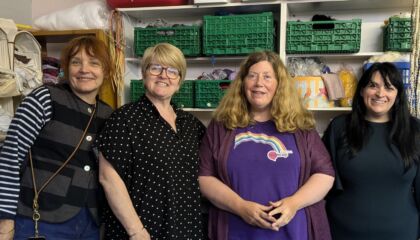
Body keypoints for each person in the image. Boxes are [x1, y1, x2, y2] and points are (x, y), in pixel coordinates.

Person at [199, 51, 335, 240]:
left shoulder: (299, 125)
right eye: (252, 76)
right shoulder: (222, 125)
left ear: (279, 84)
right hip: (235, 231)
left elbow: (324, 174)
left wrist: (294, 203)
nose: (259, 83)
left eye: (267, 77)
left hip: (292, 232)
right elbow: (205, 177)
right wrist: (240, 207)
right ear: (242, 83)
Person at [0, 36, 114, 239]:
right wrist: (5, 219)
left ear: (106, 71)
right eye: (76, 62)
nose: (84, 69)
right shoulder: (44, 98)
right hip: (39, 220)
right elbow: (9, 158)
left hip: (90, 223)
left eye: (94, 63)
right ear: (66, 68)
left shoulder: (108, 114)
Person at [96, 43, 206, 240]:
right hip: (140, 231)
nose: (164, 75)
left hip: (185, 228)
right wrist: (136, 231)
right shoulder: (124, 118)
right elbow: (109, 179)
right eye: (155, 68)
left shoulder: (191, 125)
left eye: (173, 71)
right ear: (144, 73)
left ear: (179, 80)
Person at [323, 62, 420, 240]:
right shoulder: (339, 127)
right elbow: (322, 180)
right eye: (372, 85)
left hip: (401, 233)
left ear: (397, 94)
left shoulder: (415, 131)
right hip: (342, 232)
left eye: (389, 87)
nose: (380, 93)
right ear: (361, 90)